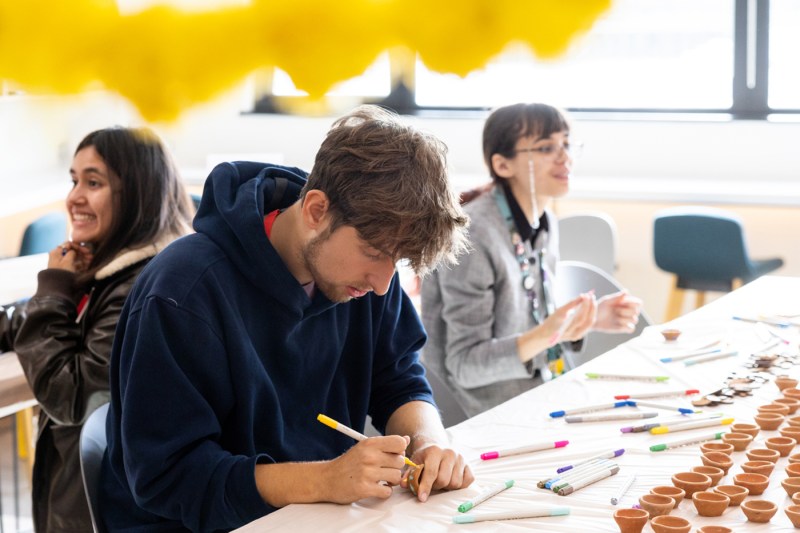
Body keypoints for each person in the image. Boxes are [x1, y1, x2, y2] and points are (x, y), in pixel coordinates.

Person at [99, 105, 474, 531]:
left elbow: (397, 376)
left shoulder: (361, 277)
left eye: (399, 261)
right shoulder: (182, 292)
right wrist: (327, 479)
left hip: (317, 514)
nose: (384, 284)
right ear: (316, 211)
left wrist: (428, 444)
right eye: (374, 253)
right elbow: (170, 477)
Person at [0, 126, 193, 532]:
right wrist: (56, 293)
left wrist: (54, 289)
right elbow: (28, 322)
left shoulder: (138, 288)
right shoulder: (113, 270)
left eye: (94, 182)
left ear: (138, 192)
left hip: (96, 507)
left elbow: (70, 397)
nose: (74, 197)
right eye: (74, 181)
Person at [421, 103, 643, 417]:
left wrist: (588, 320)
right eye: (546, 147)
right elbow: (465, 365)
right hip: (480, 414)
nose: (565, 156)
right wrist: (551, 332)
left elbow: (535, 326)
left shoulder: (546, 223)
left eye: (566, 144)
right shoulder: (473, 236)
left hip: (539, 393)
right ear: (502, 165)